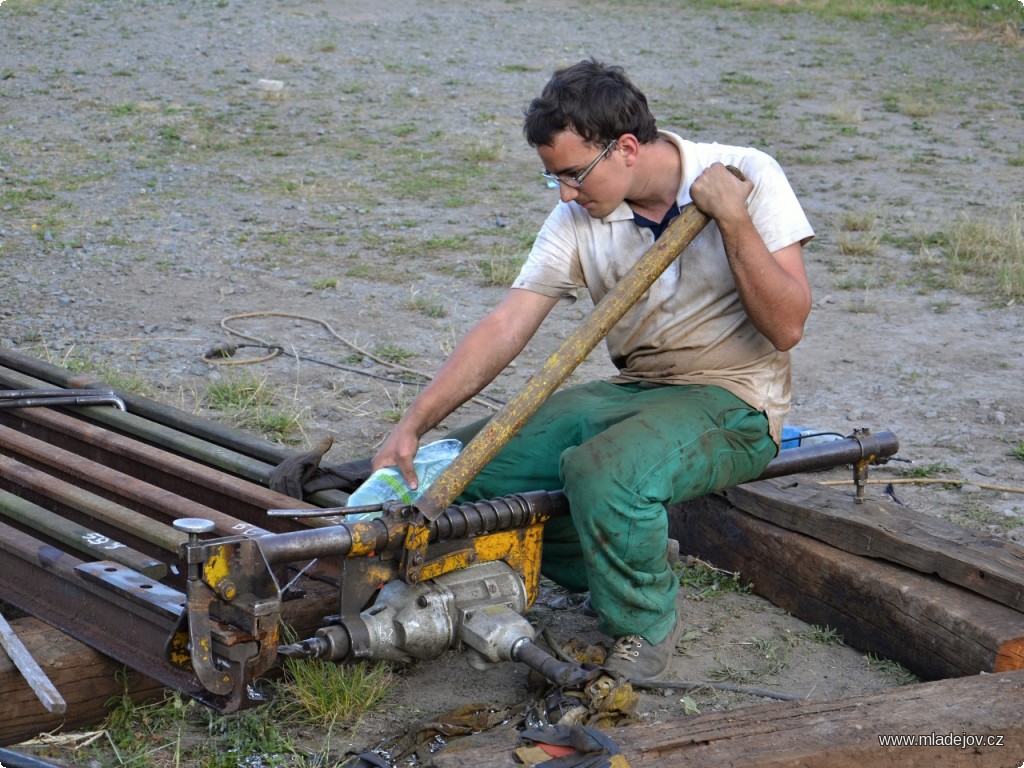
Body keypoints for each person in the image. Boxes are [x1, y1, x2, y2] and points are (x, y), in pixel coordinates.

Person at [371, 58, 814, 680]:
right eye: (553, 179)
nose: (565, 194)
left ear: (625, 148)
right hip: (634, 390)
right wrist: (413, 423)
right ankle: (626, 552)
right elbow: (507, 325)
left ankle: (642, 627)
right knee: (471, 467)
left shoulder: (748, 175)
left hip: (735, 401)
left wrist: (734, 219)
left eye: (573, 175)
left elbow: (788, 325)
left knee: (602, 472)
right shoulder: (577, 217)